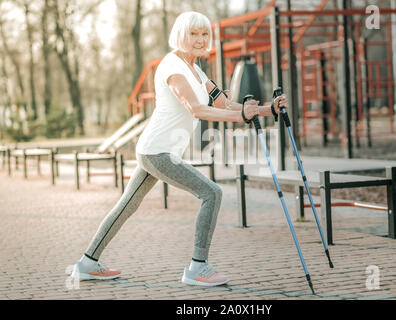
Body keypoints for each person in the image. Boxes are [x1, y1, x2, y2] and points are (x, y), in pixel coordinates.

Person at [70, 11, 288, 287]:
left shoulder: (195, 69)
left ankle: (87, 263)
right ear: (180, 35)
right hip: (157, 151)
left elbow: (223, 103)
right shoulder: (172, 66)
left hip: (158, 150)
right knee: (212, 192)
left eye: (204, 34)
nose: (200, 39)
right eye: (193, 33)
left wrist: (268, 109)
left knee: (127, 205)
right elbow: (196, 108)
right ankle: (198, 268)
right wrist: (241, 117)